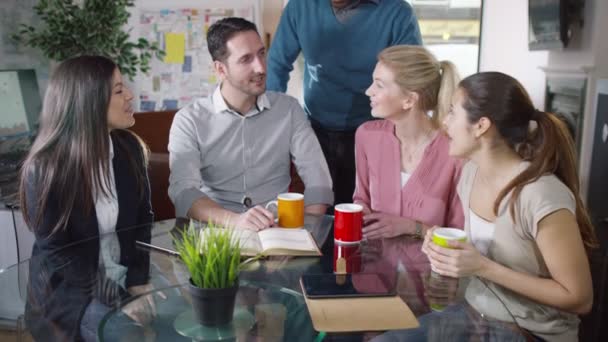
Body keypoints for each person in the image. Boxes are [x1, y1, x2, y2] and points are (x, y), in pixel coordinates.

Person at [420, 71, 597, 341]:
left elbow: (579, 298)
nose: (444, 123)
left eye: (453, 113)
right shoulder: (470, 174)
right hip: (475, 317)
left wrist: (482, 267)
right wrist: (446, 254)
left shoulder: (540, 194)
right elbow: (475, 264)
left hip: (532, 334)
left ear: (481, 126)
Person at [20, 56, 158, 341]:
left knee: (182, 308)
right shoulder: (46, 167)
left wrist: (138, 281)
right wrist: (120, 298)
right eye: (118, 90)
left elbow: (143, 221)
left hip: (124, 269)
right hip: (71, 288)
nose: (130, 95)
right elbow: (58, 253)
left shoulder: (129, 147)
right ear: (89, 102)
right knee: (125, 331)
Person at [169, 17, 332, 231]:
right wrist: (235, 221)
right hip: (218, 236)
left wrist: (304, 234)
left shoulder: (289, 109)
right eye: (246, 59)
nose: (261, 67)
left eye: (262, 54)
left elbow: (318, 182)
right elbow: (184, 192)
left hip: (280, 232)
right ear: (220, 69)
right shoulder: (189, 120)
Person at [267, 0, 422, 207]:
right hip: (315, 128)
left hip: (374, 131)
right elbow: (277, 65)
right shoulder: (299, 6)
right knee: (315, 210)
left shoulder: (397, 13)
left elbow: (411, 80)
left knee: (361, 213)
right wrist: (271, 125)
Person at [353, 45, 464, 240]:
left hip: (432, 267)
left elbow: (460, 233)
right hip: (373, 264)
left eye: (379, 85)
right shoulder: (366, 136)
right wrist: (360, 212)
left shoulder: (455, 151)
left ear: (409, 100)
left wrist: (413, 227)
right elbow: (361, 198)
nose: (368, 91)